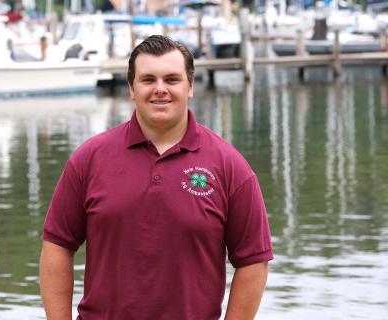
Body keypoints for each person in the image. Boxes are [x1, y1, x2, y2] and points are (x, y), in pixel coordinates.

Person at [40, 35, 273, 320]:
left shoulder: (230, 167)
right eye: (148, 79)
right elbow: (57, 246)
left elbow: (253, 261)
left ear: (190, 87)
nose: (160, 89)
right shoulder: (89, 159)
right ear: (131, 88)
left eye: (172, 79)